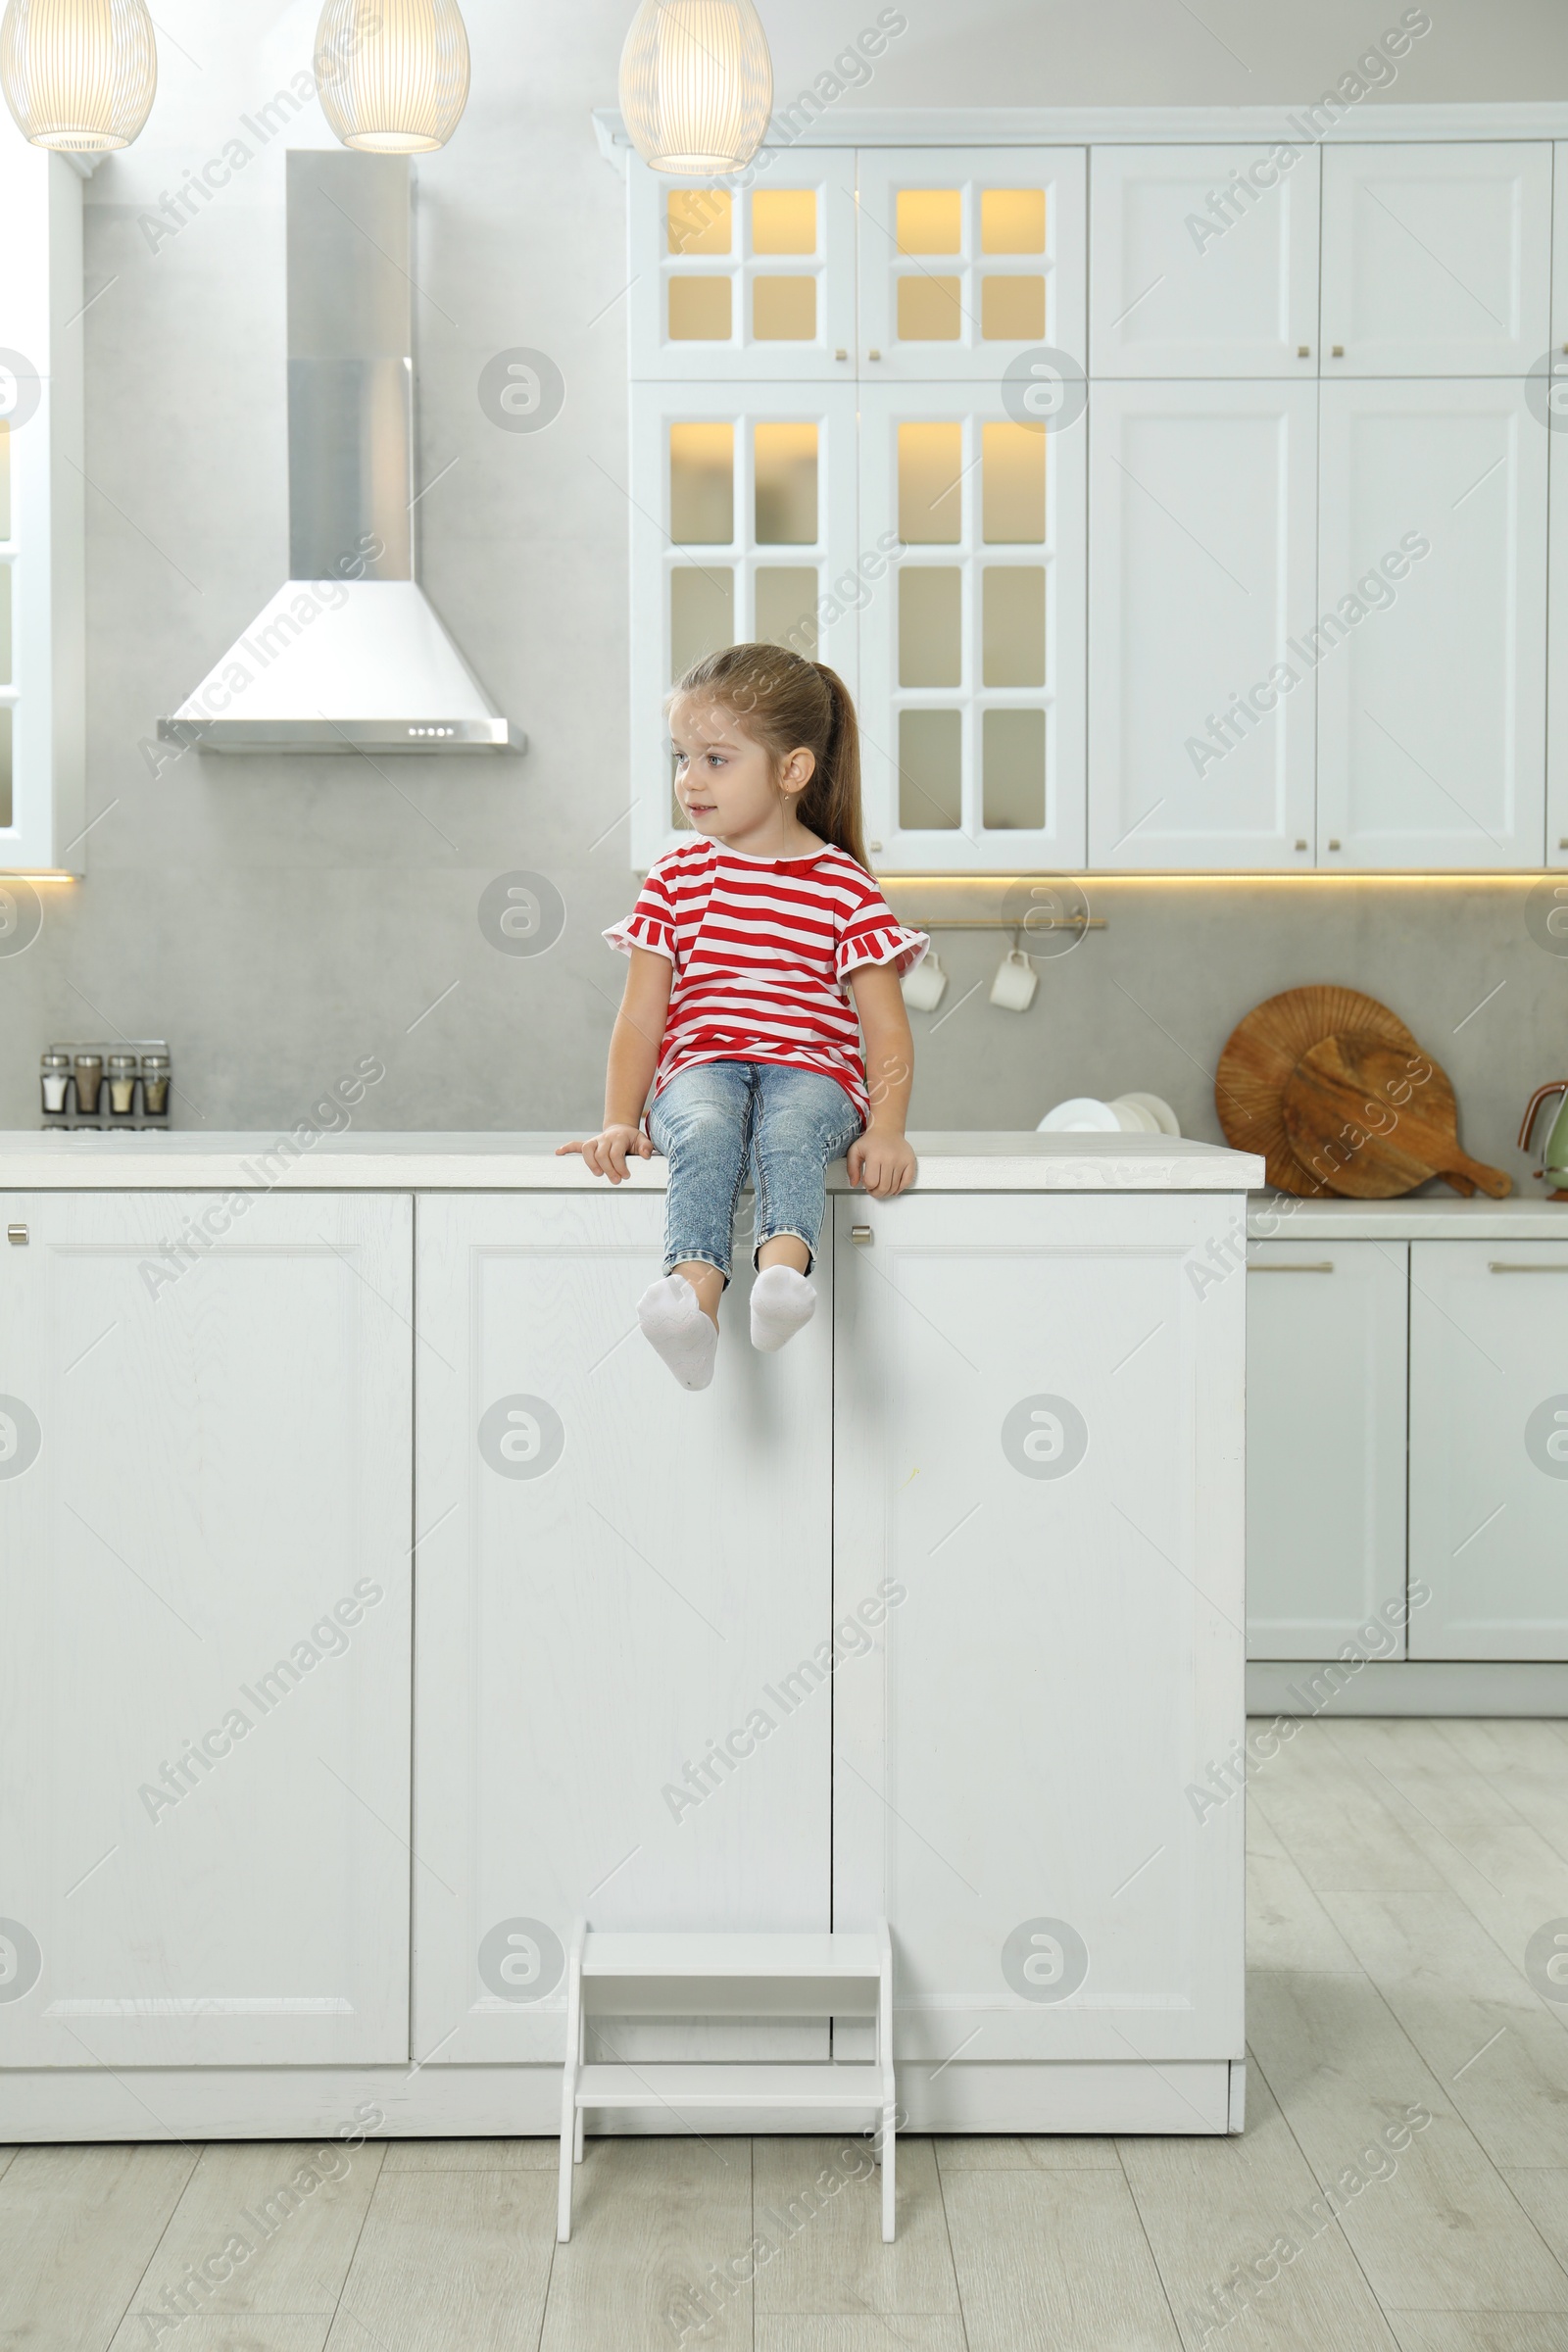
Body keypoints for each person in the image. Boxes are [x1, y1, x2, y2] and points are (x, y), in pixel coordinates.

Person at [560, 643, 928, 1390]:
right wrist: (618, 1118)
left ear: (791, 771)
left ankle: (782, 1279)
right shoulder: (675, 881)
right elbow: (641, 1018)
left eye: (715, 759)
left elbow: (885, 1029)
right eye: (681, 757)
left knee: (791, 1130)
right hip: (701, 1068)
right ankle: (694, 1304)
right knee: (703, 1128)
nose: (688, 780)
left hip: (813, 1072)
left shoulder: (844, 889)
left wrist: (887, 1128)